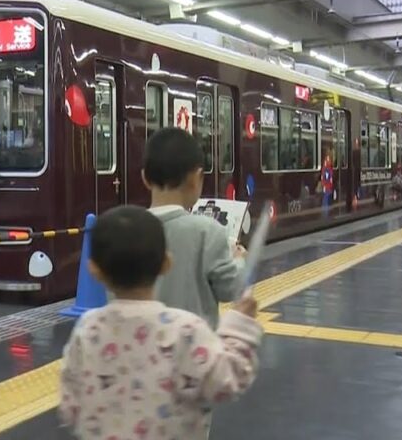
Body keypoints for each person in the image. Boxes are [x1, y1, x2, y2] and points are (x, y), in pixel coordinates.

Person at [59, 205, 262, 440]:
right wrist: (239, 325)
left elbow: (70, 408)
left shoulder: (87, 330)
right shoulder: (185, 330)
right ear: (166, 263)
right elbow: (225, 382)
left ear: (94, 270)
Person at [142, 127, 246, 329]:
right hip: (196, 353)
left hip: (142, 353)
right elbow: (230, 289)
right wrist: (239, 261)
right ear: (196, 178)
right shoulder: (207, 231)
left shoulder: (128, 230)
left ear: (145, 178)